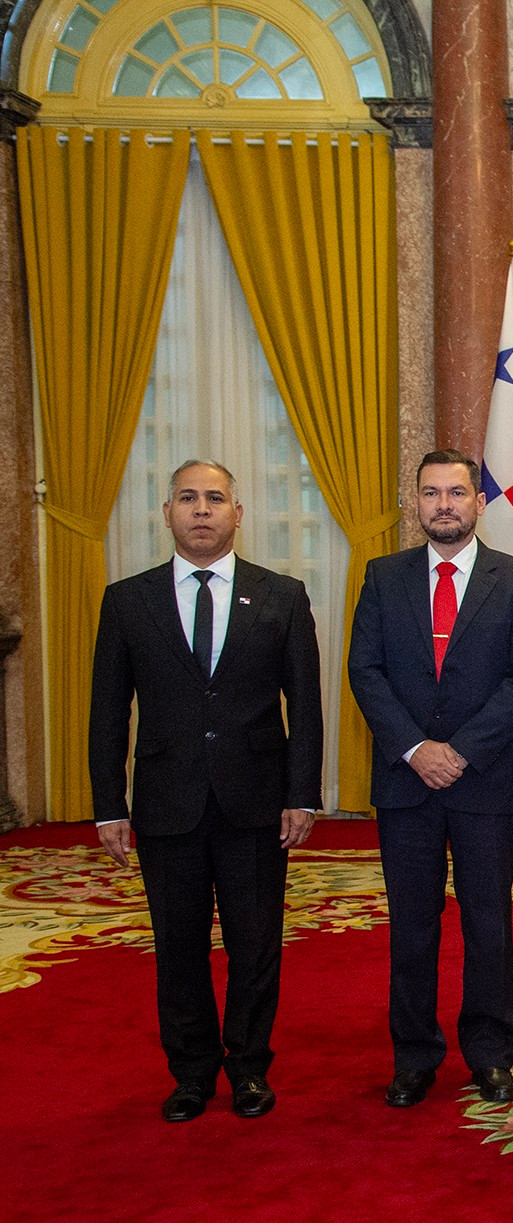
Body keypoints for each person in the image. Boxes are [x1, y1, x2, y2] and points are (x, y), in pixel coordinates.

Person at [89, 459, 323, 1122]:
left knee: (256, 944)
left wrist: (302, 793)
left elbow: (303, 705)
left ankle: (248, 1067)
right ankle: (191, 1072)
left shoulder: (281, 595)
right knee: (179, 945)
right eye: (187, 498)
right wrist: (110, 804)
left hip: (257, 803)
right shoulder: (128, 601)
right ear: (167, 513)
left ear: (237, 514)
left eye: (214, 498)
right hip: (167, 803)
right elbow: (109, 710)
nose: (201, 510)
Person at [347, 449, 513, 1108]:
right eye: (431, 493)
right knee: (413, 924)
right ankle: (413, 1055)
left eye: (456, 492)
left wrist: (458, 751)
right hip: (405, 783)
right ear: (417, 502)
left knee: (488, 923)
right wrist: (414, 748)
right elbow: (365, 671)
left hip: (481, 779)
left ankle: (491, 1052)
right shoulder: (383, 577)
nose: (444, 504)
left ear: (478, 502)